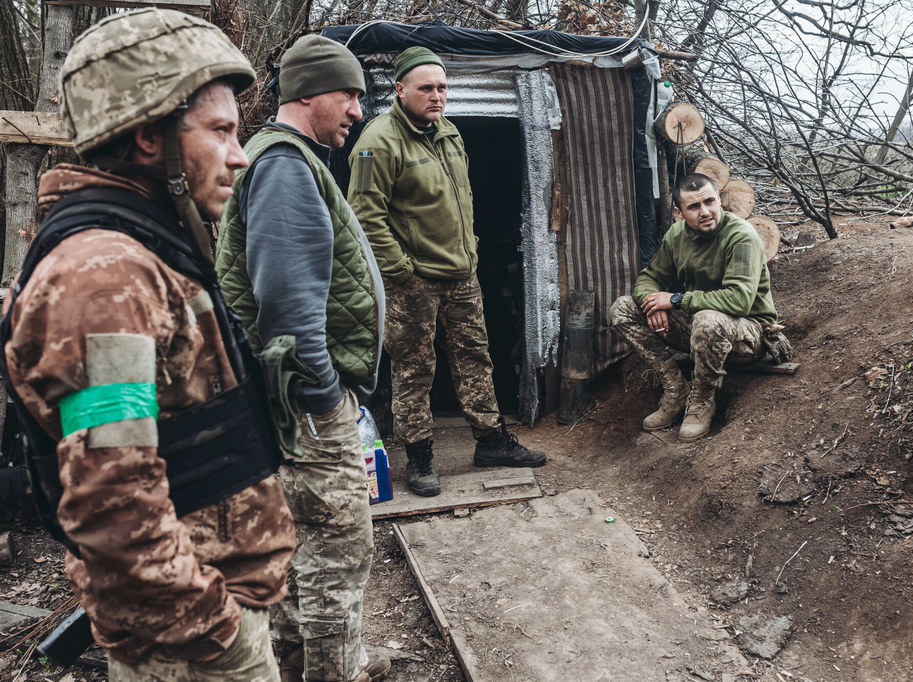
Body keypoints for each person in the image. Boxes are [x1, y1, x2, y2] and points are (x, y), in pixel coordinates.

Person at [1, 9, 296, 680]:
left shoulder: (144, 250)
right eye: (220, 132)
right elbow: (113, 500)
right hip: (188, 645)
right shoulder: (104, 277)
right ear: (146, 138)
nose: (240, 153)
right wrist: (218, 632)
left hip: (204, 617)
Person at [215, 35, 389, 682]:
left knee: (301, 545)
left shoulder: (284, 158)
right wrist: (321, 402)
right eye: (349, 96)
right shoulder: (287, 167)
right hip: (307, 402)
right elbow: (288, 310)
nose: (356, 111)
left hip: (295, 399)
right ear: (309, 94)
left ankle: (295, 659)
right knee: (340, 547)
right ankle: (334, 671)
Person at [347, 46, 545, 498]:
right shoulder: (379, 141)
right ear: (399, 90)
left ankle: (491, 441)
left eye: (442, 87)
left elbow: (462, 200)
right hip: (412, 280)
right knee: (415, 368)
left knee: (476, 356)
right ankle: (418, 456)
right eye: (426, 88)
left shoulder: (449, 132)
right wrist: (399, 270)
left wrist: (471, 252)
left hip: (461, 274)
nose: (437, 96)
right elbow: (364, 217)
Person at [610, 173, 790, 441]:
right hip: (701, 328)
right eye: (694, 207)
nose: (705, 212)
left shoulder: (742, 237)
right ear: (678, 213)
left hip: (750, 333)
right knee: (623, 307)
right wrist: (652, 303)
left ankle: (703, 400)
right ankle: (676, 390)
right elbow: (649, 278)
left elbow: (738, 301)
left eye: (709, 201)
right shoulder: (677, 235)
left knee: (708, 319)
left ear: (719, 199)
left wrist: (674, 300)